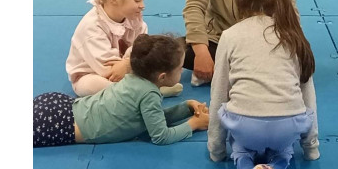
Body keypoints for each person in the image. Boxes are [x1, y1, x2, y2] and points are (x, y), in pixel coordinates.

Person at [207, 0, 320, 169]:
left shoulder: (230, 35)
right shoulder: (294, 35)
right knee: (285, 146)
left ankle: (244, 163)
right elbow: (308, 97)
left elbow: (219, 92)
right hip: (287, 126)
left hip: (246, 127)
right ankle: (278, 163)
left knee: (238, 143)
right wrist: (311, 148)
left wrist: (216, 150)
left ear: (239, 3)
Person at [34, 34, 209, 148]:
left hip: (60, 105)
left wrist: (186, 107)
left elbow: (153, 118)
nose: (182, 71)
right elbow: (161, 136)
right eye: (179, 68)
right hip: (61, 125)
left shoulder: (135, 77)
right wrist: (194, 124)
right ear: (162, 77)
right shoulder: (149, 94)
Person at [66, 0, 183, 97]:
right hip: (94, 73)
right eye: (137, 0)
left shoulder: (133, 18)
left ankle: (141, 90)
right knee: (93, 85)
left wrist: (128, 63)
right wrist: (131, 64)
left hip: (128, 67)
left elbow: (142, 48)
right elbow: (109, 71)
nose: (142, 5)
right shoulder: (92, 27)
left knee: (157, 58)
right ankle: (149, 90)